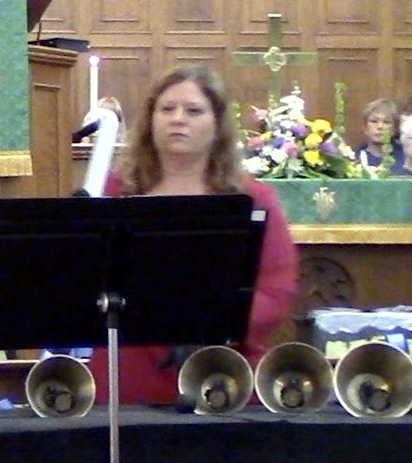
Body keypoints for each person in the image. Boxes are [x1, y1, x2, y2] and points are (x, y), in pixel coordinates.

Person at [102, 65, 299, 406]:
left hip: (223, 372)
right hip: (129, 375)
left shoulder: (255, 199)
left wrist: (207, 320)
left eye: (193, 110)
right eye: (166, 109)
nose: (178, 119)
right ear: (150, 120)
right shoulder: (117, 191)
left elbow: (276, 290)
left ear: (217, 124)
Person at [353, 98, 399, 172]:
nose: (380, 126)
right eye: (374, 121)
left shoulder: (405, 159)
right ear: (365, 127)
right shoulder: (354, 159)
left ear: (394, 128)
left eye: (386, 122)